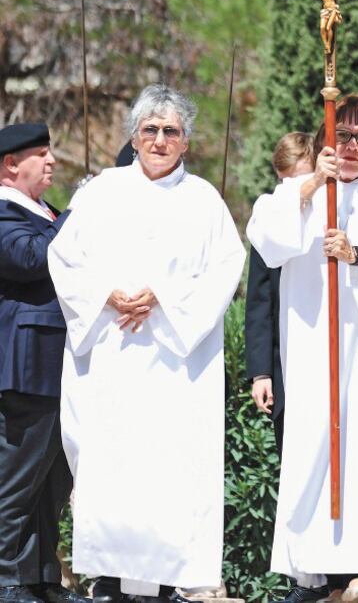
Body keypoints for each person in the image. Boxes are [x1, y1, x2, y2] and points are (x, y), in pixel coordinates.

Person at [48, 85, 246, 603]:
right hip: (111, 354)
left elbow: (226, 267)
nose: (160, 140)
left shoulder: (204, 200)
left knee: (172, 467)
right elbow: (65, 259)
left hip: (178, 362)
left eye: (171, 131)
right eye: (150, 130)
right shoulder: (99, 192)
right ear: (134, 136)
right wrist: (105, 295)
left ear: (186, 142)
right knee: (111, 463)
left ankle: (167, 580)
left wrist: (163, 297)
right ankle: (109, 578)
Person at [246, 95, 358, 597]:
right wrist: (310, 185)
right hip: (313, 349)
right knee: (315, 451)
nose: (349, 147)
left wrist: (357, 255)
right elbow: (266, 238)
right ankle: (314, 568)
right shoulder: (296, 196)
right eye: (340, 136)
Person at [0, 124, 85, 603]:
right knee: (14, 483)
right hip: (26, 365)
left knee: (52, 482)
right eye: (41, 154)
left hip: (60, 366)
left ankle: (42, 577)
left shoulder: (43, 211)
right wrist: (76, 214)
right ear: (12, 164)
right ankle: (5, 578)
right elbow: (30, 257)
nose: (51, 161)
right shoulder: (4, 210)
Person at [246, 132, 316, 455]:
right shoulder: (270, 217)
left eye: (302, 181)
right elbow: (259, 301)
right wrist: (261, 373)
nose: (297, 191)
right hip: (283, 361)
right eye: (287, 183)